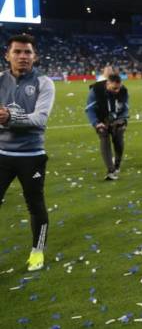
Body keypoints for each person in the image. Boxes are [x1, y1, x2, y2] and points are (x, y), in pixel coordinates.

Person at [0, 34, 55, 271]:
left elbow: (40, 119)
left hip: (31, 156)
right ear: (7, 55)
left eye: (28, 52)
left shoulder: (44, 82)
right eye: (18, 52)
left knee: (35, 205)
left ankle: (37, 250)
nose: (23, 56)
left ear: (35, 56)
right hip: (1, 155)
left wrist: (10, 117)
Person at [85, 73, 129, 180]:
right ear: (108, 83)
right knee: (104, 139)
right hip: (101, 120)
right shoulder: (96, 90)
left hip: (117, 118)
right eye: (114, 88)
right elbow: (89, 109)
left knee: (118, 139)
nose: (117, 91)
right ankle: (111, 170)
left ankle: (117, 164)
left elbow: (125, 108)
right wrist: (96, 123)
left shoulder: (123, 90)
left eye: (118, 88)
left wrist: (122, 120)